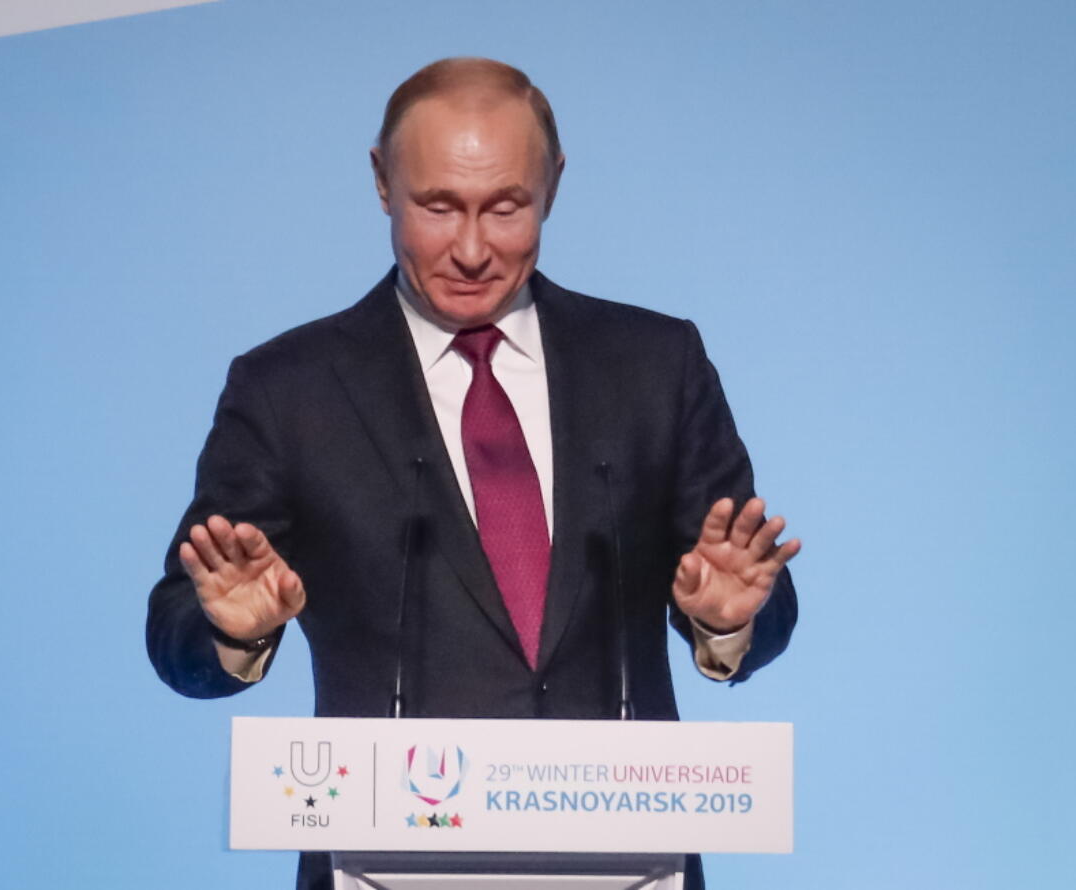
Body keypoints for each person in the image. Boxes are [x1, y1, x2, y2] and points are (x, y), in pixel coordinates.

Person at [147, 57, 799, 889]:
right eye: (437, 205)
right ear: (383, 183)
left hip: (630, 868)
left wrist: (728, 621)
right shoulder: (287, 390)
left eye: (504, 207)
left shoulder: (655, 365)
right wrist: (234, 630)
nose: (470, 248)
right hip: (382, 869)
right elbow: (175, 633)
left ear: (553, 187)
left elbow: (754, 595)